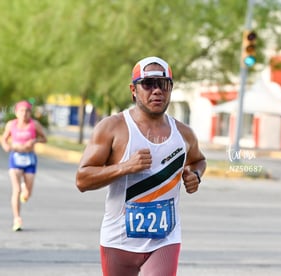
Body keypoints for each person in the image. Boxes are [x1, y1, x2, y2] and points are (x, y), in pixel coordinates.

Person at [76, 56, 207, 276]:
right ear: (133, 90)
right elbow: (82, 179)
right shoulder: (112, 127)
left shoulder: (184, 134)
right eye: (148, 84)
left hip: (165, 239)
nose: (156, 91)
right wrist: (124, 167)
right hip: (118, 240)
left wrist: (195, 175)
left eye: (163, 84)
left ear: (171, 89)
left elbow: (199, 160)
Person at [1, 100, 47, 232]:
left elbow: (44, 138)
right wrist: (7, 146)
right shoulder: (11, 125)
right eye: (21, 111)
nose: (24, 114)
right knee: (16, 190)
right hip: (15, 158)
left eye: (27, 111)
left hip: (30, 159)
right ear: (16, 113)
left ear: (30, 113)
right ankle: (17, 219)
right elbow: (4, 139)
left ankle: (25, 192)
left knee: (27, 193)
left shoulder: (35, 125)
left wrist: (34, 141)